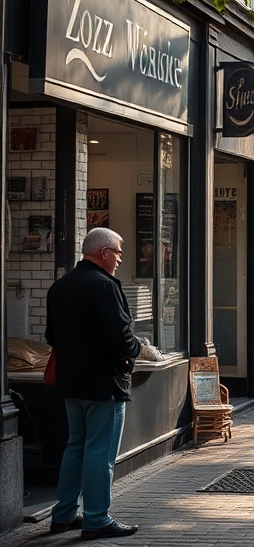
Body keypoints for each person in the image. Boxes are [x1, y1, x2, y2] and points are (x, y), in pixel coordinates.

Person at [45, 227, 142, 540]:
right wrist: (138, 349)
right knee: (100, 452)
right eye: (117, 253)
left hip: (71, 382)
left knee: (75, 446)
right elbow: (121, 337)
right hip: (104, 383)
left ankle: (63, 515)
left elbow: (50, 337)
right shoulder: (105, 286)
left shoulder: (60, 286)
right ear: (103, 252)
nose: (119, 260)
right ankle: (97, 519)